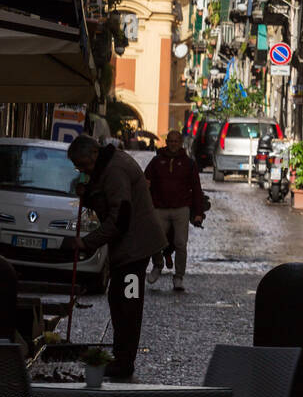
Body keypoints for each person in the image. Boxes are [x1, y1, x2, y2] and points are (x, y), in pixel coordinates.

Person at [66, 135, 167, 381]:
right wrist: (87, 193)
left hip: (135, 250)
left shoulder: (115, 171)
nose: (82, 170)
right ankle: (122, 357)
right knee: (118, 299)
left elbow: (119, 217)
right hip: (130, 248)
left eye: (83, 165)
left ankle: (124, 362)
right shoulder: (107, 167)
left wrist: (87, 242)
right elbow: (105, 199)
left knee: (128, 304)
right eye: (78, 168)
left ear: (93, 154)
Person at [144, 130, 207, 292]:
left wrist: (198, 212)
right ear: (166, 142)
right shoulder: (156, 161)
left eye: (176, 141)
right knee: (154, 241)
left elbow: (196, 189)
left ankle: (179, 277)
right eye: (170, 141)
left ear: (180, 143)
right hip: (160, 208)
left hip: (181, 209)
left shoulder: (189, 164)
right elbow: (145, 183)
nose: (173, 144)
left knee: (181, 244)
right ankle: (158, 265)